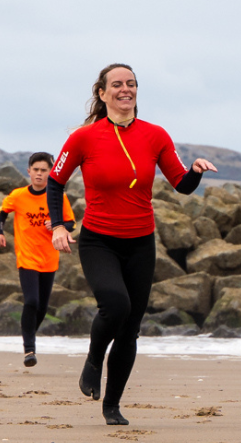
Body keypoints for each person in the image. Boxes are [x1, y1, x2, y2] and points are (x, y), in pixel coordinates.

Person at [46, 64, 216, 425]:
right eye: (117, 85)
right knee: (116, 304)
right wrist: (58, 225)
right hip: (99, 241)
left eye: (132, 84)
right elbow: (56, 181)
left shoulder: (155, 136)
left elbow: (180, 184)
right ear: (103, 93)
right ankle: (93, 361)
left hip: (140, 242)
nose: (126, 89)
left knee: (130, 328)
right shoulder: (84, 138)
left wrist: (196, 172)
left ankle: (112, 405)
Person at [0, 152, 75, 367]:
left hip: (49, 258)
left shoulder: (58, 197)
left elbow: (71, 223)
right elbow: (1, 213)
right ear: (28, 171)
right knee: (31, 301)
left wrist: (57, 226)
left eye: (44, 170)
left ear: (51, 172)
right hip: (27, 257)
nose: (39, 174)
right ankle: (29, 348)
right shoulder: (18, 195)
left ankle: (28, 333)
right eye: (36, 170)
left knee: (41, 308)